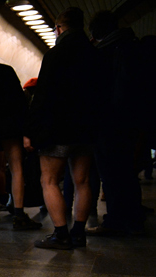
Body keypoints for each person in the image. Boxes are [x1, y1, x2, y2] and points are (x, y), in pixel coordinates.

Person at [24, 7, 103, 249]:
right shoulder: (95, 54)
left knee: (48, 180)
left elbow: (43, 96)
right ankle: (79, 232)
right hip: (86, 129)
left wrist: (31, 130)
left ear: (59, 28)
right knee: (82, 181)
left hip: (57, 129)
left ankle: (61, 234)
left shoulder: (55, 54)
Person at [86, 11, 146, 235]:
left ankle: (115, 222)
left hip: (110, 122)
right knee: (127, 172)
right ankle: (133, 218)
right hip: (132, 121)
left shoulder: (108, 52)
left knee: (111, 173)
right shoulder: (133, 46)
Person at [0, 43, 41, 231]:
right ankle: (19, 215)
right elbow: (20, 101)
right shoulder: (5, 71)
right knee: (17, 168)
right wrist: (25, 129)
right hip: (10, 126)